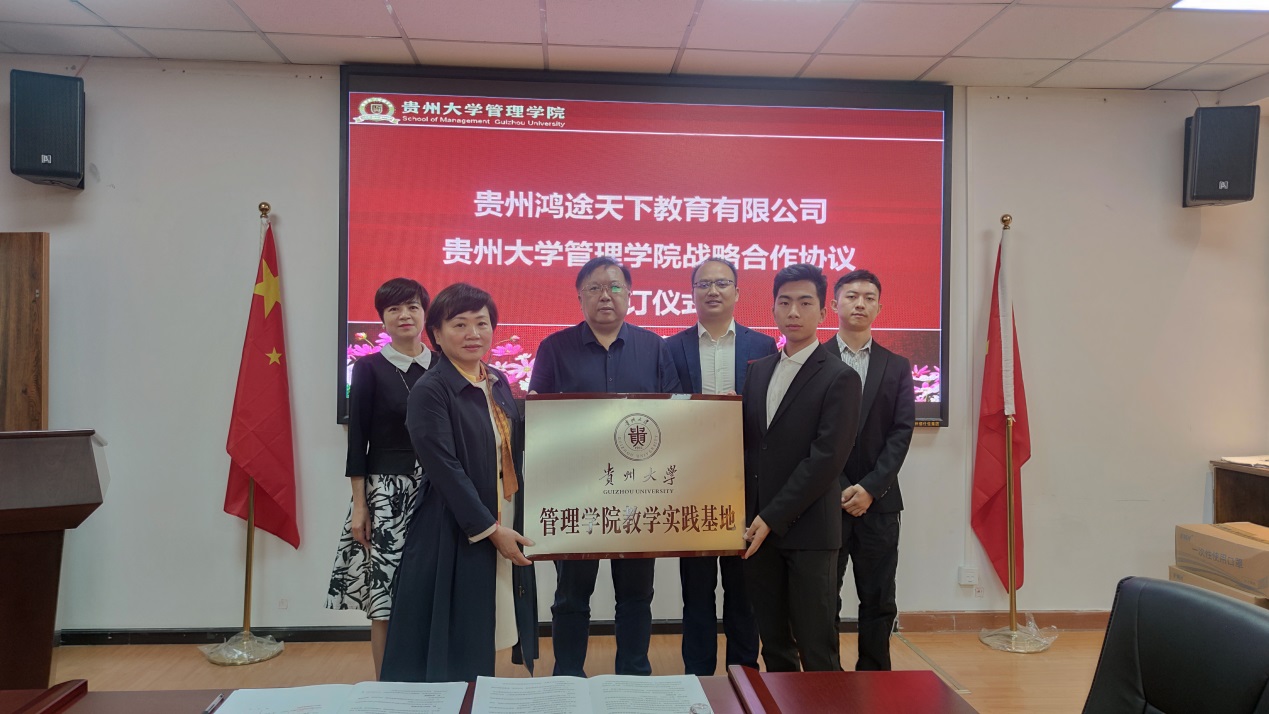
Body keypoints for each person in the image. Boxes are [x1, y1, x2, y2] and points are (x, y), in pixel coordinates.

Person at [528, 256, 681, 677]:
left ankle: (633, 676)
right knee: (571, 595)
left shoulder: (655, 347)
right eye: (594, 288)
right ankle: (568, 677)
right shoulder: (554, 348)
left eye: (615, 287)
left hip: (638, 495)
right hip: (575, 495)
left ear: (629, 295)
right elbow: (537, 418)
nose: (605, 296)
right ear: (580, 297)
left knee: (636, 595)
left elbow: (674, 416)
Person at [380, 283, 538, 682]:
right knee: (461, 632)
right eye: (460, 324)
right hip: (456, 527)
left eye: (482, 323)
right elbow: (445, 469)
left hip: (504, 514)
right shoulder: (431, 390)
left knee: (497, 621)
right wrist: (490, 529)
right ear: (435, 332)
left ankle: (484, 696)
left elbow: (513, 448)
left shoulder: (497, 380)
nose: (473, 334)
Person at [740, 263, 861, 672]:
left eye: (805, 303)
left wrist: (772, 516)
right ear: (773, 309)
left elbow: (826, 459)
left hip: (809, 532)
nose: (794, 311)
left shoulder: (840, 377)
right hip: (758, 532)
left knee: (816, 647)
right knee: (774, 645)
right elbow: (751, 448)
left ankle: (824, 703)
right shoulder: (757, 371)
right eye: (785, 302)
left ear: (823, 312)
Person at [665, 258, 775, 676]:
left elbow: (770, 412)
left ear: (737, 292)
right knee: (696, 590)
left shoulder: (762, 346)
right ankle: (697, 675)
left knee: (743, 589)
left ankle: (743, 675)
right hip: (692, 482)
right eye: (704, 284)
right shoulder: (671, 347)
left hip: (745, 483)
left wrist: (739, 408)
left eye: (722, 283)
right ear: (692, 292)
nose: (713, 291)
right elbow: (666, 407)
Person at [327, 277, 434, 677]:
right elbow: (358, 442)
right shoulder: (369, 368)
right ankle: (387, 687)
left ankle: (434, 682)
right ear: (382, 321)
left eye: (412, 307)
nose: (405, 315)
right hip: (387, 493)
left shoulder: (444, 365)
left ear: (425, 314)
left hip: (439, 489)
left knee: (431, 590)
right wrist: (360, 507)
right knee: (384, 598)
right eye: (394, 309)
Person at [827, 269, 915, 671]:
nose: (859, 303)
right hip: (826, 501)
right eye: (851, 296)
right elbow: (809, 436)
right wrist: (842, 487)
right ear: (835, 304)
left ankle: (875, 676)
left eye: (868, 297)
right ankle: (826, 676)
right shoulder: (814, 361)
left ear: (879, 307)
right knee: (823, 597)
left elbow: (901, 431)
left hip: (879, 503)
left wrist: (869, 488)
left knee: (879, 598)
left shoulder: (896, 365)